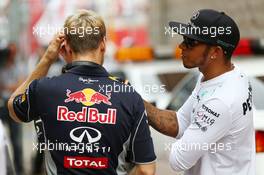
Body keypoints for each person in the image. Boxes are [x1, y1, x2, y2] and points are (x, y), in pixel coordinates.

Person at [8, 10, 156, 175]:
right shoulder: (129, 95)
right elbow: (146, 170)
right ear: (103, 44)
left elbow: (13, 107)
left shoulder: (44, 89)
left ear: (66, 46)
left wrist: (48, 57)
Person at [144, 9, 255, 175]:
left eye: (190, 42)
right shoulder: (224, 75)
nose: (181, 46)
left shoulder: (220, 100)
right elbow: (180, 122)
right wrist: (135, 101)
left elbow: (178, 160)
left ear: (215, 52)